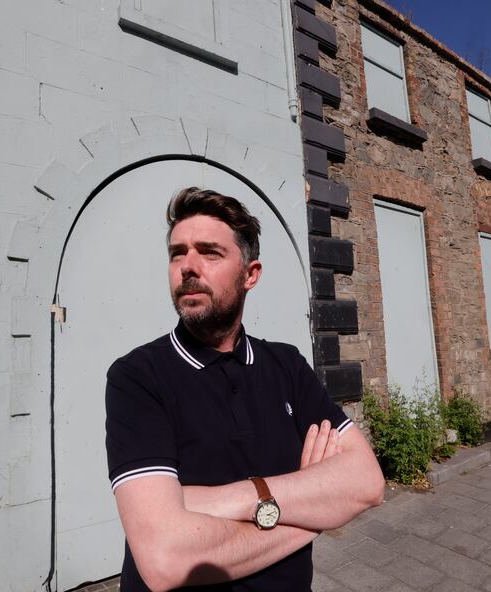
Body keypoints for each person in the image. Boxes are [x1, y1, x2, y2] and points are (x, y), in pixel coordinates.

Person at [105, 187, 385, 591]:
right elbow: (166, 560)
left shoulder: (287, 366)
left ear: (250, 274)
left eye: (210, 253)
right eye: (177, 253)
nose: (188, 267)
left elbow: (367, 483)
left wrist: (229, 499)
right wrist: (314, 511)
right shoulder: (138, 377)